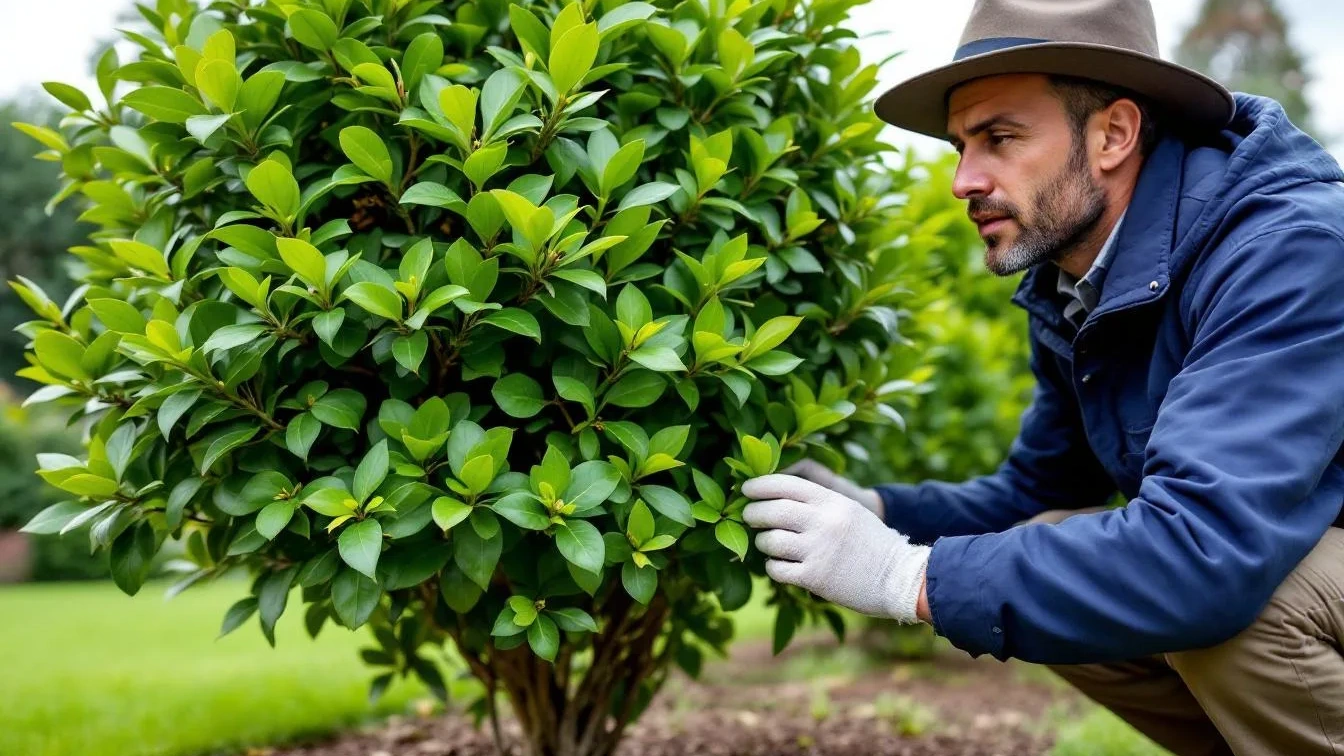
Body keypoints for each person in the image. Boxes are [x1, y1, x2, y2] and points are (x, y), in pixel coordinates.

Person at [739, 0, 1344, 753]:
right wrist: (877, 512)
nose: (964, 180)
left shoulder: (1288, 250)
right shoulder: (1080, 281)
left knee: (1246, 603)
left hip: (1276, 576)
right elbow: (1041, 493)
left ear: (1114, 135)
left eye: (1000, 138)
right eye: (962, 146)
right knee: (1054, 543)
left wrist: (902, 576)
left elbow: (1203, 552)